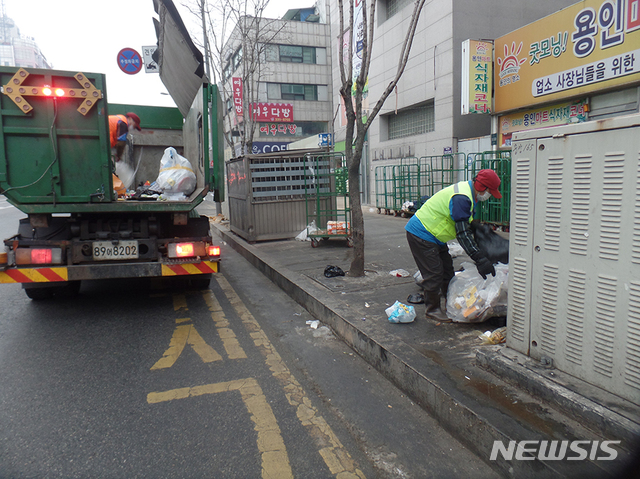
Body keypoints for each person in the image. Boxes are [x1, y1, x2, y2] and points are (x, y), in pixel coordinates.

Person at [405, 169, 502, 322]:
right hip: (421, 233)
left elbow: (467, 227)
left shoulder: (469, 193)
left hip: (435, 235)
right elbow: (462, 233)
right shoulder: (462, 198)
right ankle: (432, 309)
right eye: (491, 191)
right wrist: (479, 259)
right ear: (483, 187)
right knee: (434, 273)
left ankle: (451, 302)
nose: (489, 195)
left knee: (447, 271)